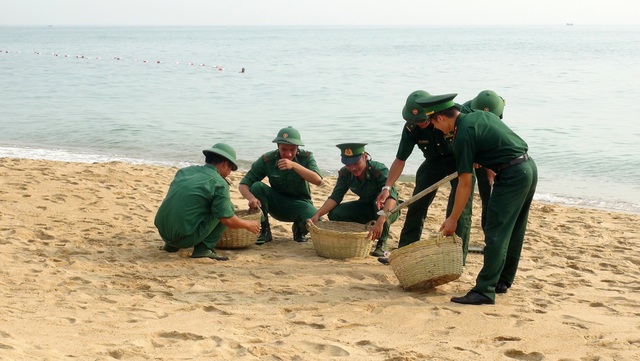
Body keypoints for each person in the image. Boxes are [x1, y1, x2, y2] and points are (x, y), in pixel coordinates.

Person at [416, 92, 537, 305]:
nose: (436, 130)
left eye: (435, 125)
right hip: (528, 168)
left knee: (496, 232)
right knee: (515, 228)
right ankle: (502, 281)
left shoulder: (462, 134)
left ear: (441, 118)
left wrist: (453, 219)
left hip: (512, 175)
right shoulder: (478, 116)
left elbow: (465, 184)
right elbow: (495, 142)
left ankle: (484, 290)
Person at [376, 90, 474, 264]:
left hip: (459, 161)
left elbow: (478, 132)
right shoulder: (411, 127)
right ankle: (405, 252)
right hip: (433, 161)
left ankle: (458, 259)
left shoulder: (453, 113)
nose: (420, 124)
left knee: (459, 209)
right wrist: (387, 187)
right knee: (416, 204)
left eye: (423, 120)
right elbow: (400, 160)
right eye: (415, 121)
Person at [154, 143, 261, 261]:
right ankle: (203, 249)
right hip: (184, 238)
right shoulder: (219, 183)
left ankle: (170, 246)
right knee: (225, 208)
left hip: (163, 232)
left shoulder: (185, 171)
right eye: (231, 168)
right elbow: (228, 219)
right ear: (225, 164)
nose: (230, 172)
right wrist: (248, 224)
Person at [309, 143, 400, 257]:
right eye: (348, 164)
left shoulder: (378, 170)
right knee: (336, 213)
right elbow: (335, 198)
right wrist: (318, 214)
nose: (352, 168)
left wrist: (380, 221)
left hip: (388, 209)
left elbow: (392, 198)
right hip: (365, 207)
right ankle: (359, 233)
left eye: (356, 163)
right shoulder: (345, 173)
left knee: (380, 207)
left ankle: (381, 243)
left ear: (365, 157)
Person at [239, 126, 323, 244]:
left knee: (317, 219)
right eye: (284, 149)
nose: (288, 154)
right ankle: (265, 231)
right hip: (276, 203)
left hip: (300, 204)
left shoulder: (306, 157)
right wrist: (251, 198)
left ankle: (298, 229)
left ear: (297, 148)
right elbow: (243, 184)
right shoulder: (268, 159)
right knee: (257, 186)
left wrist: (294, 165)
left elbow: (318, 180)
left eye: (292, 150)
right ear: (278, 146)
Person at [463, 90, 506, 232]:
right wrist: (473, 157)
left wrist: (489, 168)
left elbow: (492, 137)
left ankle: (488, 233)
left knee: (488, 195)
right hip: (466, 150)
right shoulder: (466, 112)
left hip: (485, 154)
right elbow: (464, 138)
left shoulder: (496, 109)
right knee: (464, 193)